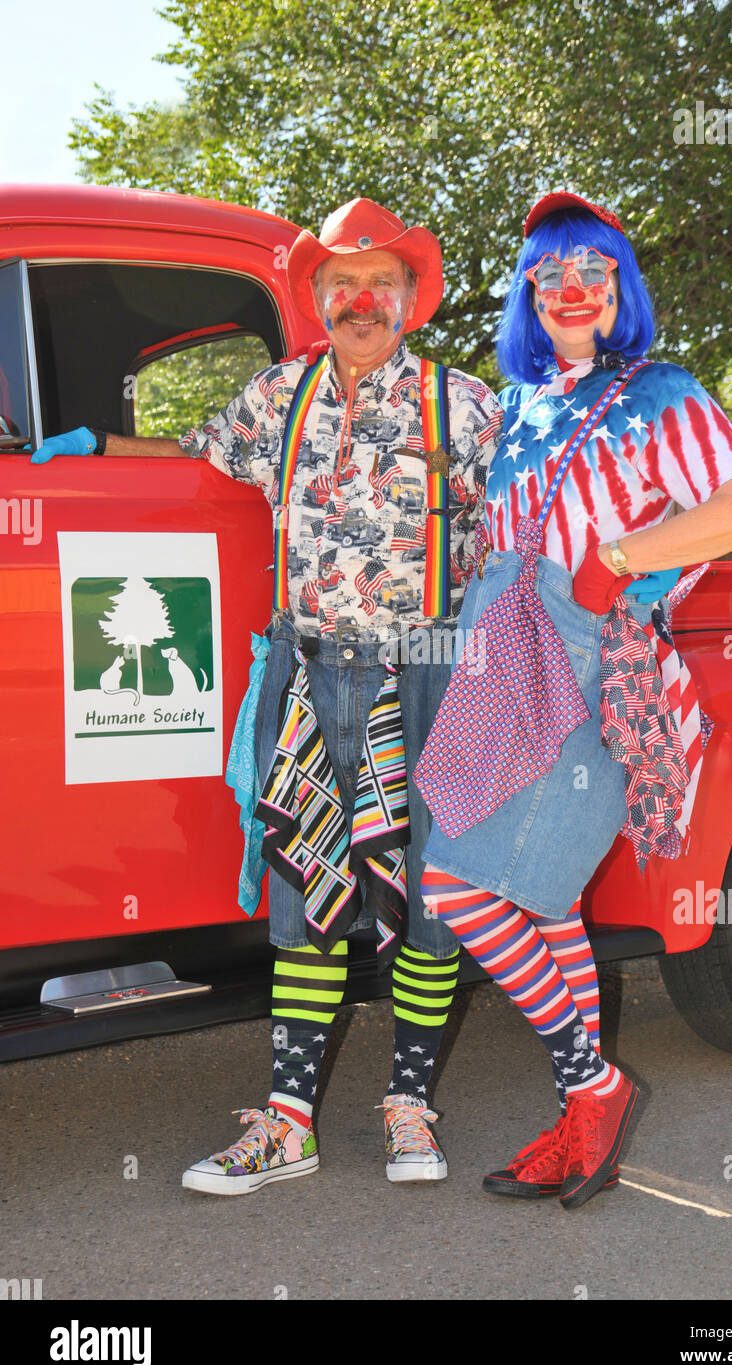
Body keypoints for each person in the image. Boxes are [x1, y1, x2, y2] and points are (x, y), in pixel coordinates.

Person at [31, 197, 502, 1193]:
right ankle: (289, 1125)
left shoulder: (463, 407)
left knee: (424, 902)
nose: (358, 299)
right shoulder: (280, 394)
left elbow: (532, 515)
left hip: (422, 670)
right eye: (339, 284)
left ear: (409, 301)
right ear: (316, 299)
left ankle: (409, 1108)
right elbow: (199, 450)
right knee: (305, 894)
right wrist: (90, 448)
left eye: (378, 282)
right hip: (307, 666)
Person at [412, 190, 732, 1210]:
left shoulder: (657, 390)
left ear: (619, 287)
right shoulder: (522, 401)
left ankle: (592, 1085)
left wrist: (621, 556)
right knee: (543, 899)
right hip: (500, 645)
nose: (572, 291)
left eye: (593, 272)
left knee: (459, 890)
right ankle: (584, 1114)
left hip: (584, 660)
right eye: (551, 275)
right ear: (530, 293)